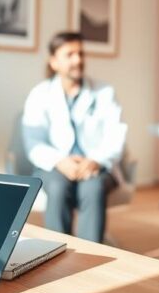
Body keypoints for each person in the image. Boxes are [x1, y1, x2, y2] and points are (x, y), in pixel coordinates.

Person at [22, 31, 127, 243]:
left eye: (80, 53)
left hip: (97, 165)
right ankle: (55, 250)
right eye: (69, 54)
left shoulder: (104, 92)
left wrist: (95, 160)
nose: (77, 60)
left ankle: (92, 255)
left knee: (93, 187)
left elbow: (116, 135)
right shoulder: (40, 94)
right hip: (55, 165)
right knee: (58, 187)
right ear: (53, 62)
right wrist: (60, 161)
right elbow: (33, 142)